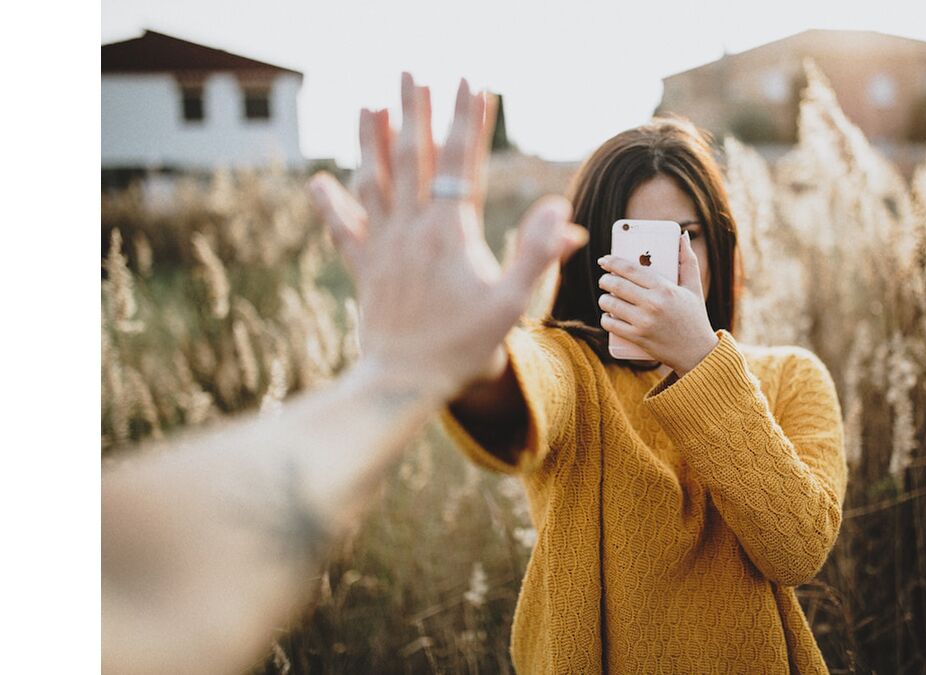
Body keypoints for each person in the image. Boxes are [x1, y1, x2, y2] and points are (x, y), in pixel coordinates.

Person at [335, 97, 849, 672]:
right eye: (639, 243)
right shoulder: (571, 366)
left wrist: (700, 362)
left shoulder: (792, 377)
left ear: (720, 243)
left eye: (690, 235)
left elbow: (798, 548)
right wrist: (477, 356)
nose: (666, 266)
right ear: (593, 255)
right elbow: (522, 387)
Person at [101, 73, 588, 675]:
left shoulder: (744, 371)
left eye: (690, 236)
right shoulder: (574, 363)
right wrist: (407, 369)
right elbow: (125, 585)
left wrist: (403, 369)